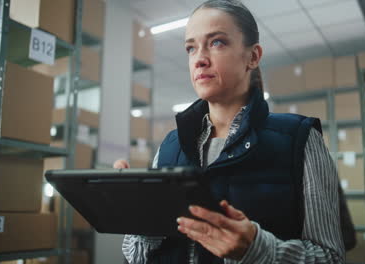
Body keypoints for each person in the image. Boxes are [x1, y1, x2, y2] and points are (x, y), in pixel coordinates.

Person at [115, 0, 345, 263]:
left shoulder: (299, 139)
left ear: (253, 56)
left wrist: (259, 250)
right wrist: (138, 219)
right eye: (191, 48)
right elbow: (138, 256)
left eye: (217, 42)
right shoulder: (170, 145)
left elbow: (331, 257)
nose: (199, 59)